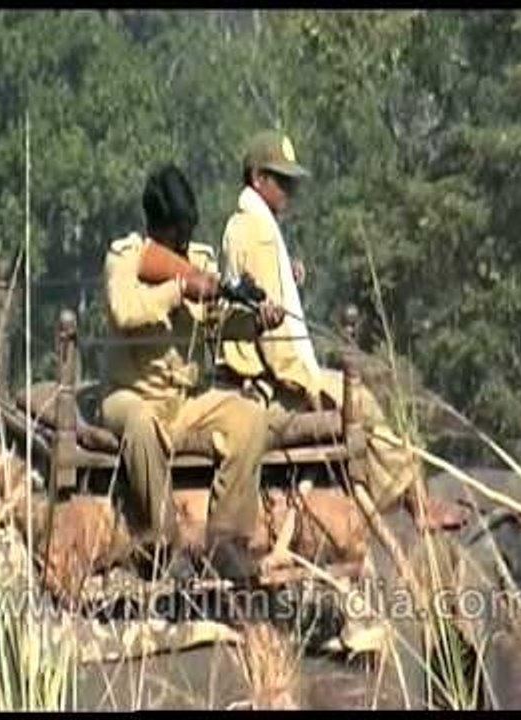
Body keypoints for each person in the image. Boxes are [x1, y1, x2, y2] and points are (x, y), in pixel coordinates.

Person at [217, 129, 426, 518]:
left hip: (266, 381)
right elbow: (276, 339)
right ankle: (412, 502)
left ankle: (402, 497)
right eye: (281, 181)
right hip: (275, 388)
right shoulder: (257, 232)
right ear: (257, 179)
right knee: (360, 401)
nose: (288, 191)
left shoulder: (248, 226)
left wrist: (286, 273)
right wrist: (309, 386)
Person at [99, 163, 272, 583]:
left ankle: (225, 540)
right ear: (158, 226)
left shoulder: (200, 260)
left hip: (186, 402)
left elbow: (218, 323)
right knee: (139, 424)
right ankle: (166, 542)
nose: (184, 238)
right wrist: (178, 289)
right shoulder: (126, 257)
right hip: (133, 395)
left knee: (249, 417)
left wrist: (257, 321)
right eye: (177, 230)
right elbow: (125, 310)